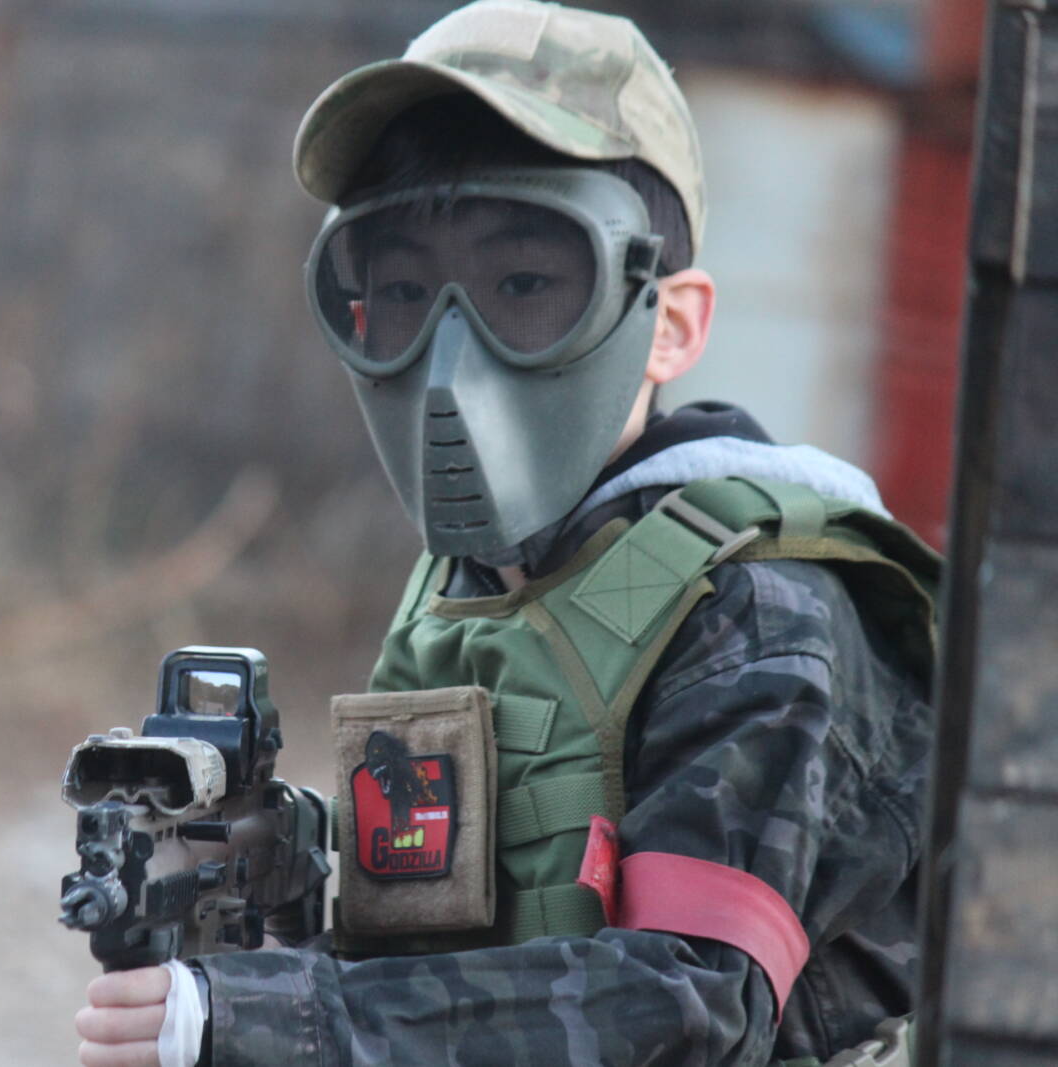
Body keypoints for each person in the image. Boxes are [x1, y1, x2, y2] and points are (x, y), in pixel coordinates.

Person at [75, 2, 937, 1064]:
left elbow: (689, 1001)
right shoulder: (481, 585)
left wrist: (270, 1019)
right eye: (403, 290)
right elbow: (446, 927)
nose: (451, 357)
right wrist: (272, 883)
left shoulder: (763, 606)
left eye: (524, 285)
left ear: (669, 324)